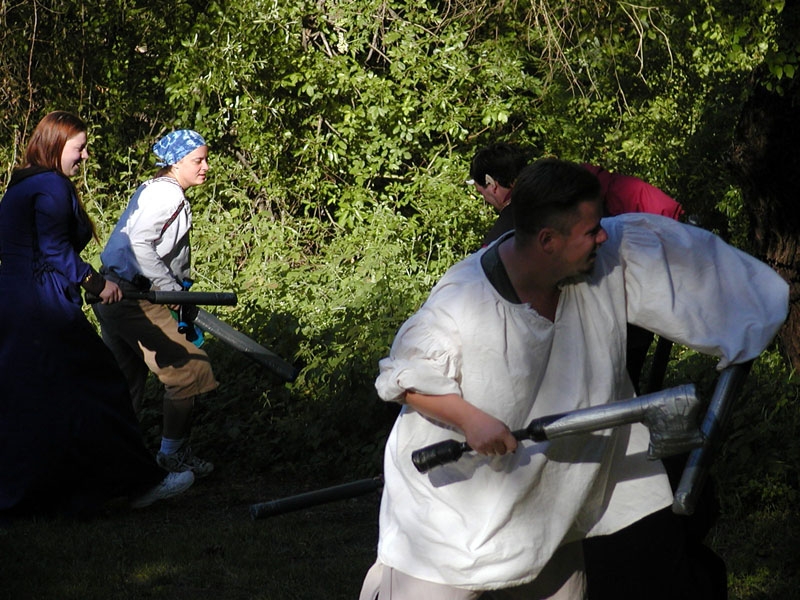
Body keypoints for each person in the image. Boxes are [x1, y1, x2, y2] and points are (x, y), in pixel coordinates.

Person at [359, 159, 788, 599]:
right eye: (591, 230)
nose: (603, 236)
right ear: (548, 241)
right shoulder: (463, 299)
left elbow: (684, 258)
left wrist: (761, 302)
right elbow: (404, 376)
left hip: (548, 509)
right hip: (447, 521)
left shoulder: (603, 258)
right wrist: (471, 420)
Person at [0, 111, 194, 517]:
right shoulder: (51, 185)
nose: (85, 156)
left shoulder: (20, 184)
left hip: (15, 304)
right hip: (44, 307)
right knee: (103, 384)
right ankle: (141, 484)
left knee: (35, 398)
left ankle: (41, 496)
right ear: (55, 146)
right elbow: (54, 249)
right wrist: (96, 282)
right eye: (80, 148)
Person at [92, 129, 218, 478]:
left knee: (124, 385)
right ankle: (170, 457)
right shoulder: (168, 196)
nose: (206, 167)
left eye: (206, 159)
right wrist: (171, 290)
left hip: (113, 292)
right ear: (176, 163)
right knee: (190, 371)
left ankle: (113, 468)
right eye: (198, 160)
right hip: (131, 297)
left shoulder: (153, 187)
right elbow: (139, 244)